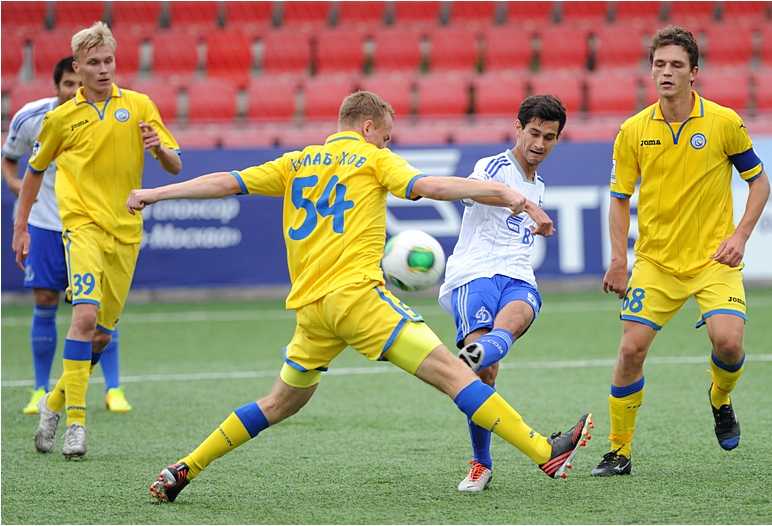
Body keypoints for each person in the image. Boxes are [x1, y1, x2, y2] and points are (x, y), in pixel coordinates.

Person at [126, 90, 592, 503]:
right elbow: (430, 187)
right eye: (386, 137)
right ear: (368, 127)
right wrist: (514, 198)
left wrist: (156, 193)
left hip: (312, 311)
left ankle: (186, 466)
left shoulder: (294, 161)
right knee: (456, 374)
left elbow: (227, 181)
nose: (388, 144)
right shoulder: (373, 159)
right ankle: (544, 451)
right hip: (359, 300)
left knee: (279, 403)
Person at [592, 26, 769, 477]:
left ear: (695, 72)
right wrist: (619, 258)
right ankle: (619, 451)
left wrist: (741, 236)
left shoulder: (723, 122)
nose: (666, 72)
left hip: (714, 261)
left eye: (675, 65)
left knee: (728, 344)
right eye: (659, 64)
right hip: (655, 263)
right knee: (631, 350)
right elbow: (618, 197)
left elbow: (759, 183)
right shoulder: (633, 130)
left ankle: (720, 397)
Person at [12, 21, 182, 460]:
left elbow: (175, 165)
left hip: (125, 231)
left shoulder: (140, 106)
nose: (104, 70)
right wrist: (21, 225)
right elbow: (32, 173)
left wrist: (158, 149)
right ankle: (76, 423)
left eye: (108, 61)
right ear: (78, 68)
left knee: (102, 337)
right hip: (81, 227)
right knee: (83, 317)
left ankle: (52, 402)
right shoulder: (61, 119)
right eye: (94, 63)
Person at [438, 95, 564, 492]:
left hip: (517, 276)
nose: (540, 143)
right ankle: (481, 463)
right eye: (534, 133)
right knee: (485, 376)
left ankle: (472, 356)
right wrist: (527, 207)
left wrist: (533, 214)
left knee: (513, 323)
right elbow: (473, 191)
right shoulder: (494, 166)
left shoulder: (539, 184)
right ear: (518, 127)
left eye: (549, 137)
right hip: (474, 276)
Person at [2, 56, 133, 416]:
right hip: (47, 223)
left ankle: (114, 388)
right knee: (45, 298)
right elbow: (11, 159)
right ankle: (40, 390)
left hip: (93, 224)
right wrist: (17, 190)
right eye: (68, 85)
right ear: (56, 86)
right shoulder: (32, 119)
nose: (76, 90)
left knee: (99, 307)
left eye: (80, 83)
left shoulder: (111, 115)